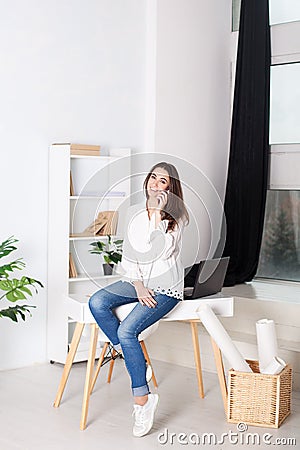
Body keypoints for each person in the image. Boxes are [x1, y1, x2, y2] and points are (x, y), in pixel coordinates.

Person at [89, 162, 189, 437]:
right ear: (147, 181)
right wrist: (138, 285)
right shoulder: (134, 215)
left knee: (127, 329)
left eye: (163, 182)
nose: (156, 184)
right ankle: (138, 363)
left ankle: (143, 401)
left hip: (166, 287)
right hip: (137, 282)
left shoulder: (176, 219)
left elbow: (160, 254)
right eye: (153, 178)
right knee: (97, 302)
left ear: (171, 189)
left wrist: (157, 214)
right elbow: (130, 257)